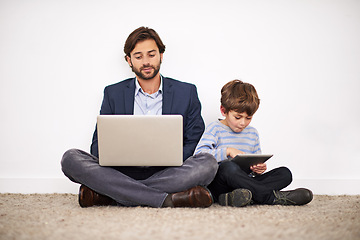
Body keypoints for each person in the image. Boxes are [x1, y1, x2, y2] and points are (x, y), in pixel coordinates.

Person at [61, 27, 218, 208]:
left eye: (151, 55)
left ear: (161, 55)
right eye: (138, 56)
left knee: (208, 164)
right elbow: (98, 146)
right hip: (122, 172)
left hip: (169, 172)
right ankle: (166, 199)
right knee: (70, 158)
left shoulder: (187, 92)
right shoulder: (113, 93)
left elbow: (195, 142)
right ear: (129, 60)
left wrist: (170, 158)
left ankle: (111, 195)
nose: (146, 62)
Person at [194, 80, 313, 207]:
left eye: (248, 118)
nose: (243, 123)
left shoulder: (252, 133)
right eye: (238, 117)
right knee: (228, 167)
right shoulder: (215, 129)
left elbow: (255, 161)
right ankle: (270, 198)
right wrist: (227, 151)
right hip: (220, 184)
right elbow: (199, 155)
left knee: (285, 173)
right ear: (224, 111)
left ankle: (239, 197)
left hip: (245, 183)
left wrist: (258, 169)